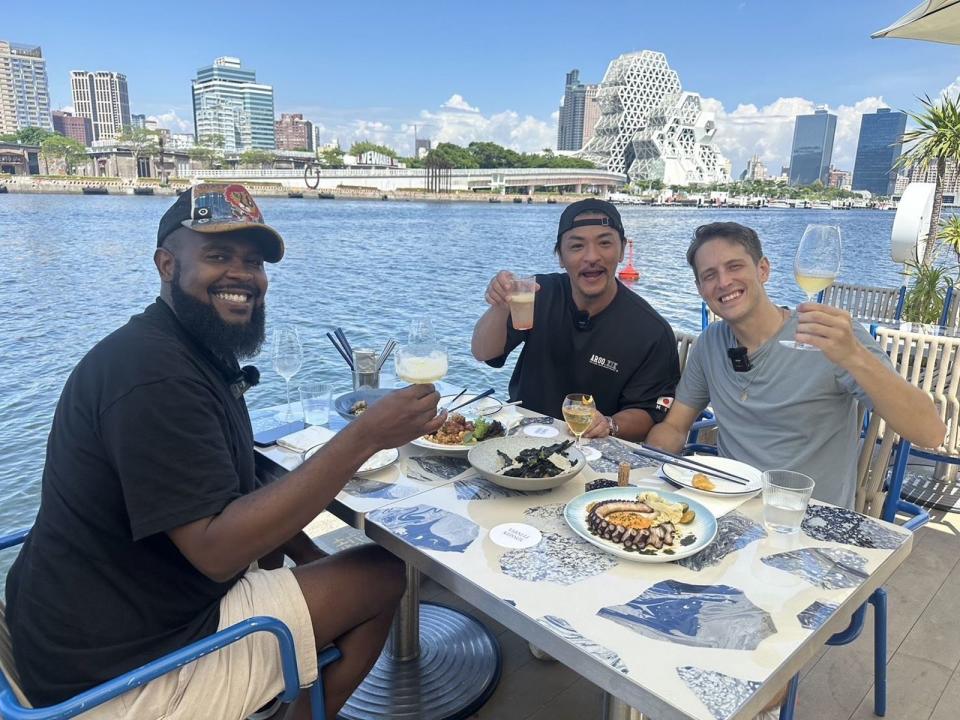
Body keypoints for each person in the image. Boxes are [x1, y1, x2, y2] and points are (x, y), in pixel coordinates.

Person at [4, 183, 446, 720]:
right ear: (167, 264)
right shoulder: (153, 376)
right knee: (382, 573)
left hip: (85, 621)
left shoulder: (179, 349)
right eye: (217, 256)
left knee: (315, 559)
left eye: (254, 262)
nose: (244, 276)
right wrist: (363, 437)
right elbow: (216, 552)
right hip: (119, 674)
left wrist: (310, 559)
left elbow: (235, 491)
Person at [646, 221, 945, 509]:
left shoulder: (832, 338)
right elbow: (674, 427)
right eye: (709, 275)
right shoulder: (710, 343)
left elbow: (930, 433)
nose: (724, 282)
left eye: (735, 266)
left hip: (810, 520)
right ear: (700, 288)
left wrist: (854, 355)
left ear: (763, 269)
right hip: (731, 508)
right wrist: (644, 469)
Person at [470, 198, 680, 442]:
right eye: (577, 246)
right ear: (560, 255)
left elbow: (648, 412)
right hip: (522, 433)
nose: (592, 256)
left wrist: (610, 424)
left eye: (604, 243)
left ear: (622, 249)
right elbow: (483, 352)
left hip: (593, 447)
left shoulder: (650, 331)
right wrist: (500, 305)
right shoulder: (537, 293)